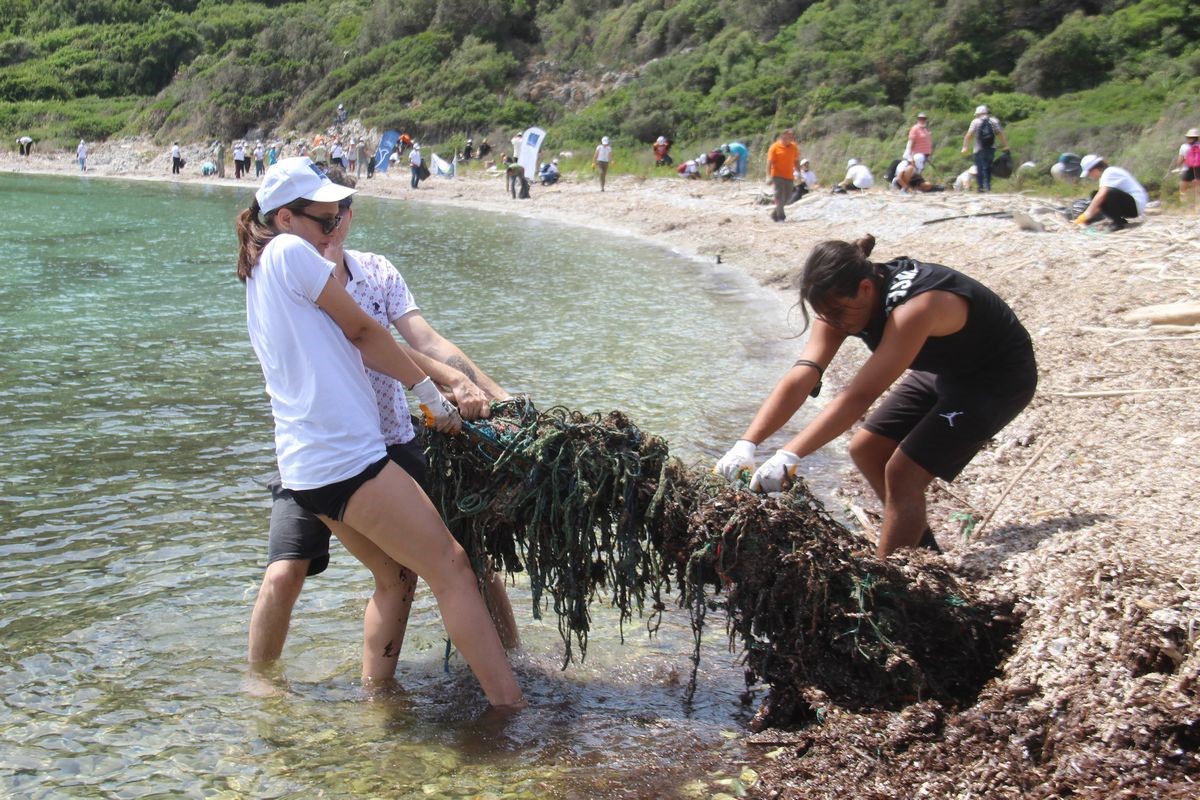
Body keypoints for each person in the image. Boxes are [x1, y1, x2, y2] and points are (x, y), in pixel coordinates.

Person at [235, 157, 524, 709]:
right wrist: (433, 396)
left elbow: (390, 337)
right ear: (283, 218)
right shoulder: (290, 253)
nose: (335, 226)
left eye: (340, 213)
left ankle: (379, 704)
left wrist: (482, 387)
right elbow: (365, 331)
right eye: (322, 219)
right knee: (453, 568)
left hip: (311, 465)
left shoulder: (263, 272)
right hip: (345, 457)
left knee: (396, 577)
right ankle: (511, 711)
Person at [714, 235, 1036, 558]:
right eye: (826, 315)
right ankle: (920, 549)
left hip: (997, 376)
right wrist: (747, 444)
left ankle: (889, 577)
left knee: (903, 473)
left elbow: (858, 397)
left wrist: (790, 456)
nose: (835, 323)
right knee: (866, 449)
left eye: (838, 312)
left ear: (866, 289)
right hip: (944, 367)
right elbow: (804, 373)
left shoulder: (914, 307)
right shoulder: (839, 302)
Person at [1074, 154, 1147, 231]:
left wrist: (1086, 214)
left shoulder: (1109, 172)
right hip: (1131, 205)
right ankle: (1118, 220)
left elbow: (1102, 195)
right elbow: (1099, 204)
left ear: (1094, 169)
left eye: (1089, 173)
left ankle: (1117, 223)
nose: (1090, 176)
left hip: (1136, 205)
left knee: (1107, 193)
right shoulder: (1105, 175)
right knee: (1096, 195)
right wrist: (1087, 219)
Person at [961, 105, 1009, 193]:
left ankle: (980, 187)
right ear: (986, 112)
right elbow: (1000, 134)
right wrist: (1005, 145)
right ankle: (988, 187)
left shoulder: (975, 122)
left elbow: (969, 135)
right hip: (991, 148)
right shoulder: (994, 121)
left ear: (978, 114)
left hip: (979, 149)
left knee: (980, 168)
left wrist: (965, 147)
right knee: (988, 167)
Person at [766, 128, 801, 222]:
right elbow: (769, 162)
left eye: (792, 136)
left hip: (789, 175)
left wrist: (799, 172)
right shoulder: (774, 147)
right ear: (783, 136)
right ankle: (781, 217)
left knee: (788, 197)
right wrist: (768, 176)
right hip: (777, 175)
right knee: (779, 196)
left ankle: (774, 213)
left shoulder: (793, 146)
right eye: (789, 136)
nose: (791, 138)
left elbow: (796, 160)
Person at [1176, 127, 1200, 207]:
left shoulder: (1184, 147)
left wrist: (1178, 166)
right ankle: (1198, 205)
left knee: (1183, 188)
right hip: (1198, 169)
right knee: (1198, 187)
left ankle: (1184, 204)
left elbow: (1180, 160)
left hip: (1187, 169)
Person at [906, 112, 933, 177]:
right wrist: (910, 156)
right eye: (920, 119)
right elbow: (910, 142)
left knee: (920, 170)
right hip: (918, 155)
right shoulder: (915, 128)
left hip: (925, 155)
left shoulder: (925, 129)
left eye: (924, 119)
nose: (922, 120)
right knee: (917, 171)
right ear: (918, 119)